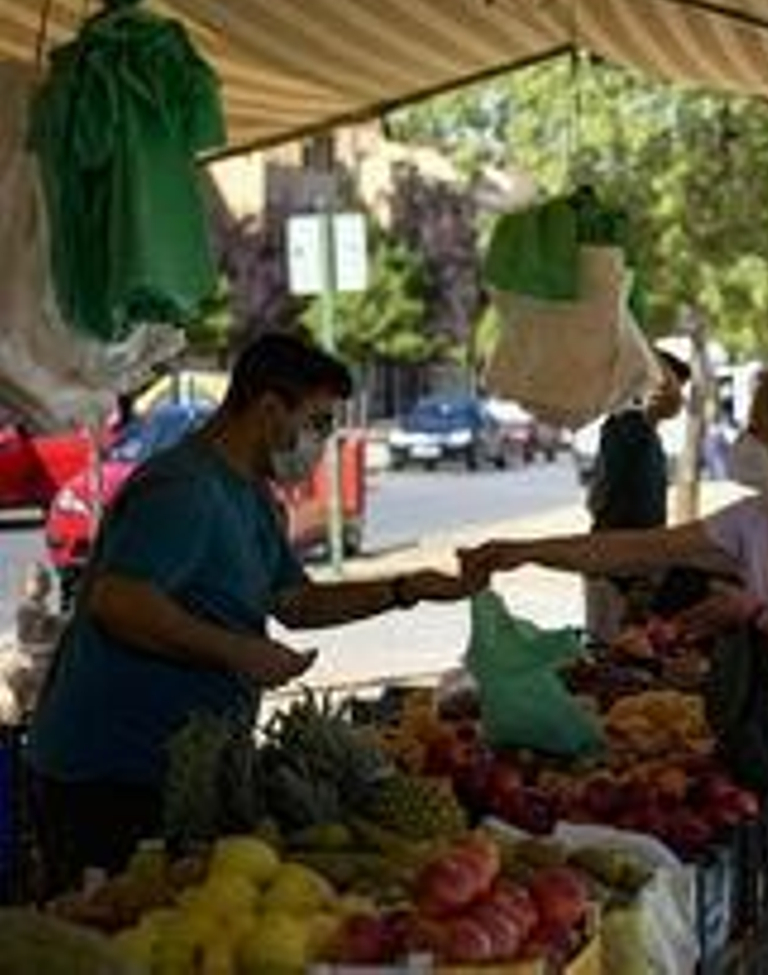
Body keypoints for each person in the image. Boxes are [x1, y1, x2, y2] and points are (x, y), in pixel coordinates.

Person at [462, 362, 768, 975]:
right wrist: (524, 553)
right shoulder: (759, 517)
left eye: (756, 428)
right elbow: (640, 548)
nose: (744, 441)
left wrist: (754, 613)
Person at [28, 333, 482, 891]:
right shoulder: (184, 489)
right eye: (317, 423)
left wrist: (406, 588)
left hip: (182, 770)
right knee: (110, 923)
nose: (322, 442)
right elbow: (119, 602)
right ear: (269, 409)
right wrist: (239, 652)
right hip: (109, 772)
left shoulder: (254, 498)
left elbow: (295, 602)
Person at [583, 348, 691, 638]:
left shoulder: (646, 432)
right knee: (610, 645)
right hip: (614, 565)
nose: (678, 397)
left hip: (633, 563)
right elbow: (599, 500)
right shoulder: (628, 425)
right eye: (672, 385)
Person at [3, 563, 64, 722]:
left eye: (43, 580)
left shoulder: (41, 608)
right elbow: (25, 643)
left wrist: (55, 623)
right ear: (25, 586)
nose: (41, 585)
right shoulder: (25, 609)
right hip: (31, 659)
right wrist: (51, 647)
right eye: (36, 580)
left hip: (39, 656)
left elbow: (47, 626)